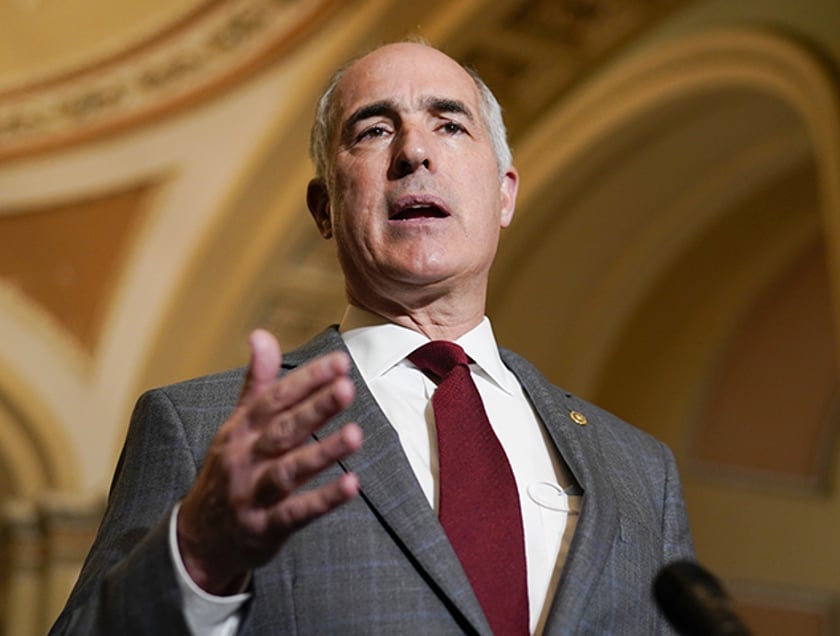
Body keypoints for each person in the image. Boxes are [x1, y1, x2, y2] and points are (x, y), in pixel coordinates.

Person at [50, 41, 695, 635]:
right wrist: (194, 559)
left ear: (504, 195)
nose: (415, 151)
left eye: (449, 125)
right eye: (375, 130)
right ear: (324, 208)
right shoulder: (205, 430)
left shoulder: (638, 471)